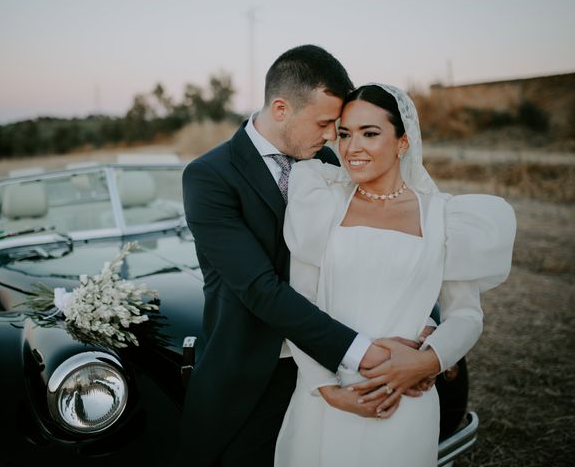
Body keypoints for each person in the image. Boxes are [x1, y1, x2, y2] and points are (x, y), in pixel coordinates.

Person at [176, 46, 435, 467]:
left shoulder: (332, 161)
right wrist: (370, 356)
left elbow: (390, 238)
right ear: (281, 109)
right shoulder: (209, 176)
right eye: (325, 123)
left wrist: (424, 326)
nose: (334, 136)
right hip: (254, 378)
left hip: (340, 365)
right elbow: (260, 288)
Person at [274, 83, 516, 466]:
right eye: (345, 134)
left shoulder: (444, 217)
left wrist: (427, 361)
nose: (353, 148)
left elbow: (467, 315)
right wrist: (325, 387)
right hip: (325, 399)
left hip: (405, 403)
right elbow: (301, 305)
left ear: (402, 142)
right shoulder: (321, 205)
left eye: (370, 134)